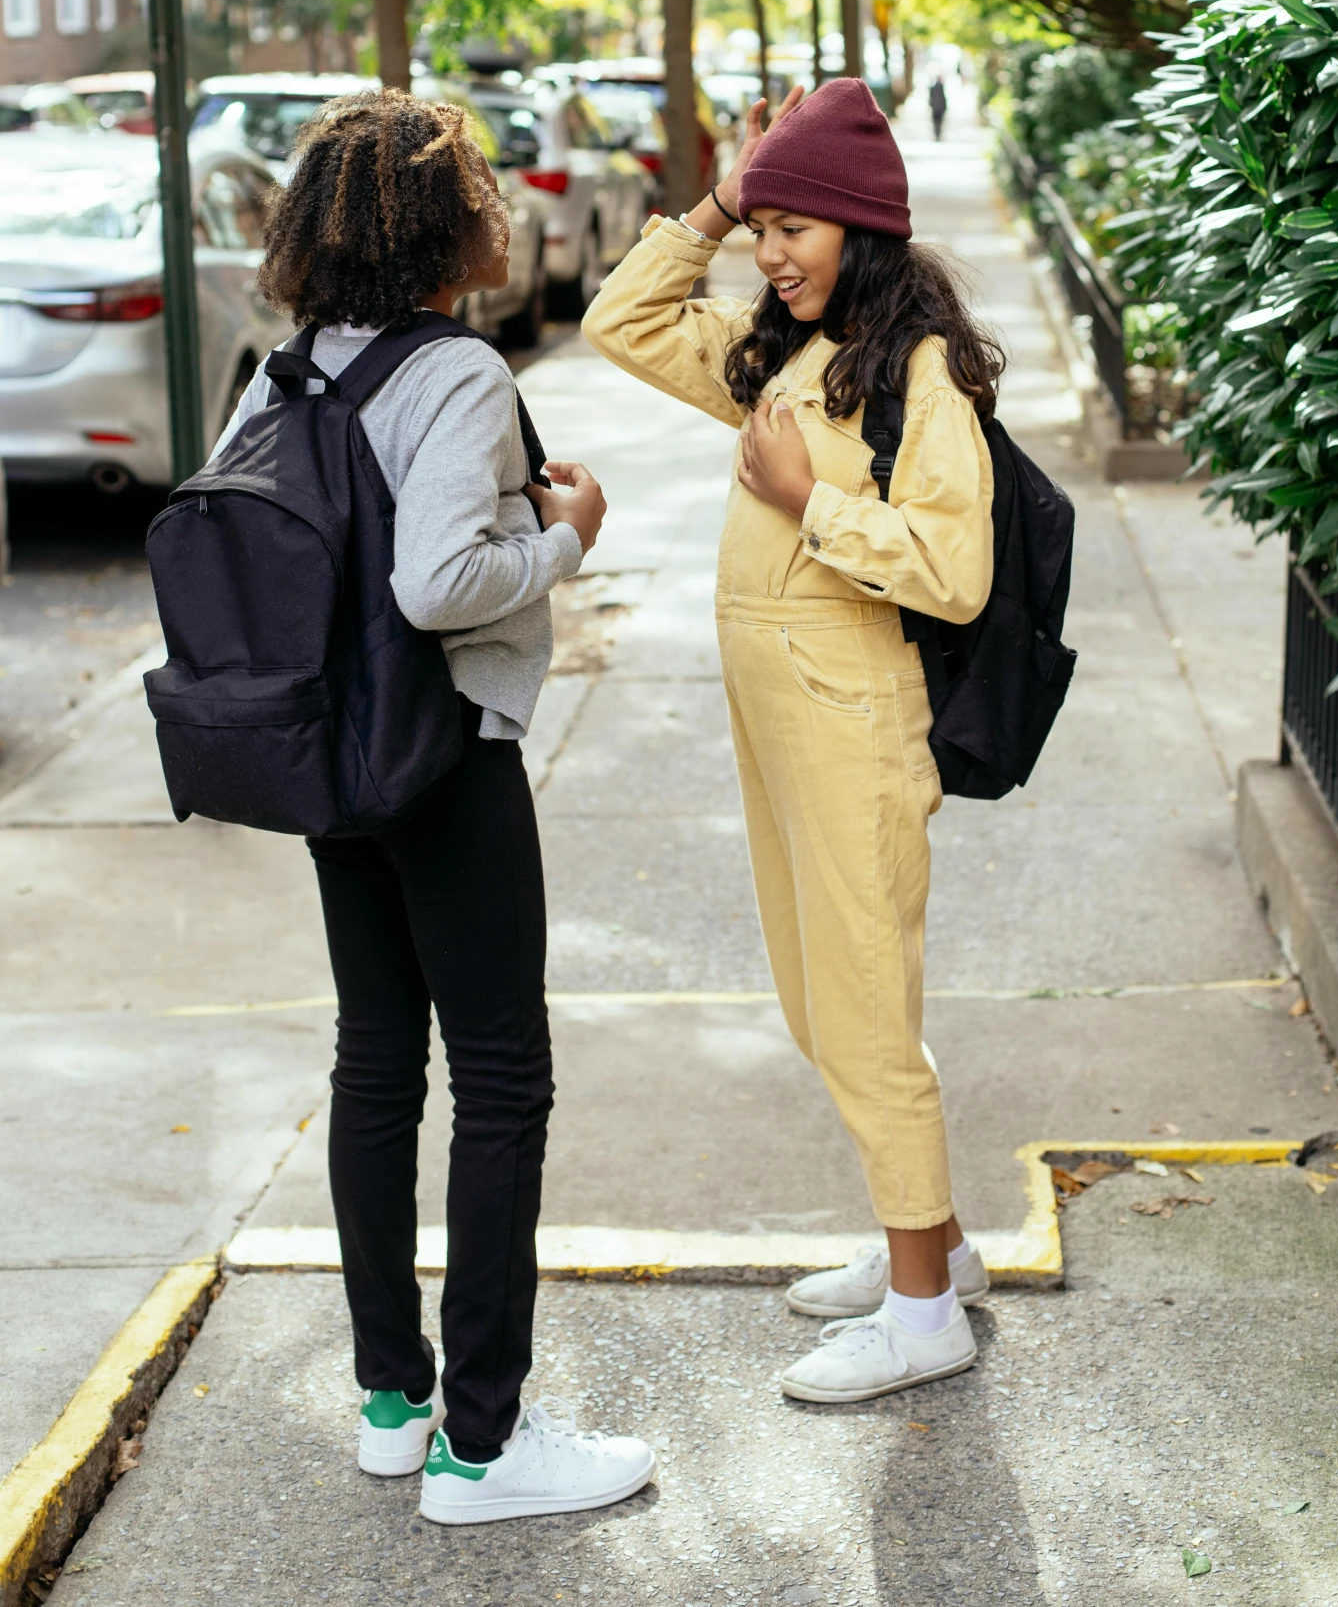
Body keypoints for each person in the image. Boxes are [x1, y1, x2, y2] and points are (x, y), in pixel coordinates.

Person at [216, 90, 655, 1523]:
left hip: (333, 764)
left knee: (374, 1067)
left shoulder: (285, 372)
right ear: (442, 221)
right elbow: (437, 584)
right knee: (502, 1081)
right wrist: (565, 536)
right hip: (448, 755)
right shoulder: (456, 371)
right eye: (476, 187)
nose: (495, 208)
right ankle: (483, 1444)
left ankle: (394, 1403)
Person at [583, 78, 1001, 1405]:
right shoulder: (782, 359)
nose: (770, 253)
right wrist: (715, 193)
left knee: (865, 1011)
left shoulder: (913, 375)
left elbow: (954, 568)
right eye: (759, 226)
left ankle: (922, 1310)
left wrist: (809, 499)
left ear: (861, 227)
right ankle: (926, 1245)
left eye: (794, 225)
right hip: (775, 729)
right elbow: (620, 316)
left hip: (852, 728)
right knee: (820, 1003)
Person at [927, 75, 948, 141]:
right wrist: (945, 107)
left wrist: (931, 105)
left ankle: (937, 134)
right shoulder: (941, 87)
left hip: (935, 108)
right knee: (939, 122)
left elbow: (930, 98)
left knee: (936, 122)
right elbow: (943, 98)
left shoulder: (933, 88)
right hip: (940, 108)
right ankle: (938, 134)